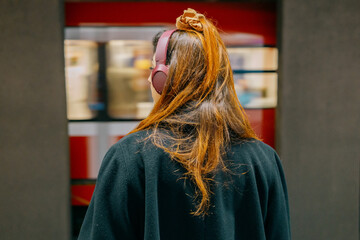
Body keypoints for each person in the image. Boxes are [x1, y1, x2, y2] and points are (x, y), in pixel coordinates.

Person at [78, 8, 291, 240]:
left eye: (152, 69)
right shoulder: (264, 160)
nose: (149, 78)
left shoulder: (129, 156)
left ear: (162, 79)